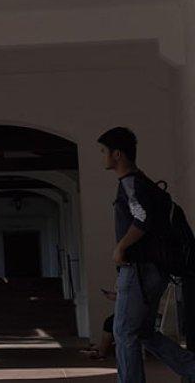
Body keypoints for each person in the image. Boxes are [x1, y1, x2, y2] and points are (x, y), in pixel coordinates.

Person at [99, 126, 195, 381]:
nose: (103, 156)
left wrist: (120, 248)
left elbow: (143, 217)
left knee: (123, 332)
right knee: (143, 332)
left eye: (104, 151)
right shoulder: (143, 181)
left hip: (140, 269)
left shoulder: (130, 182)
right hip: (153, 270)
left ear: (117, 154)